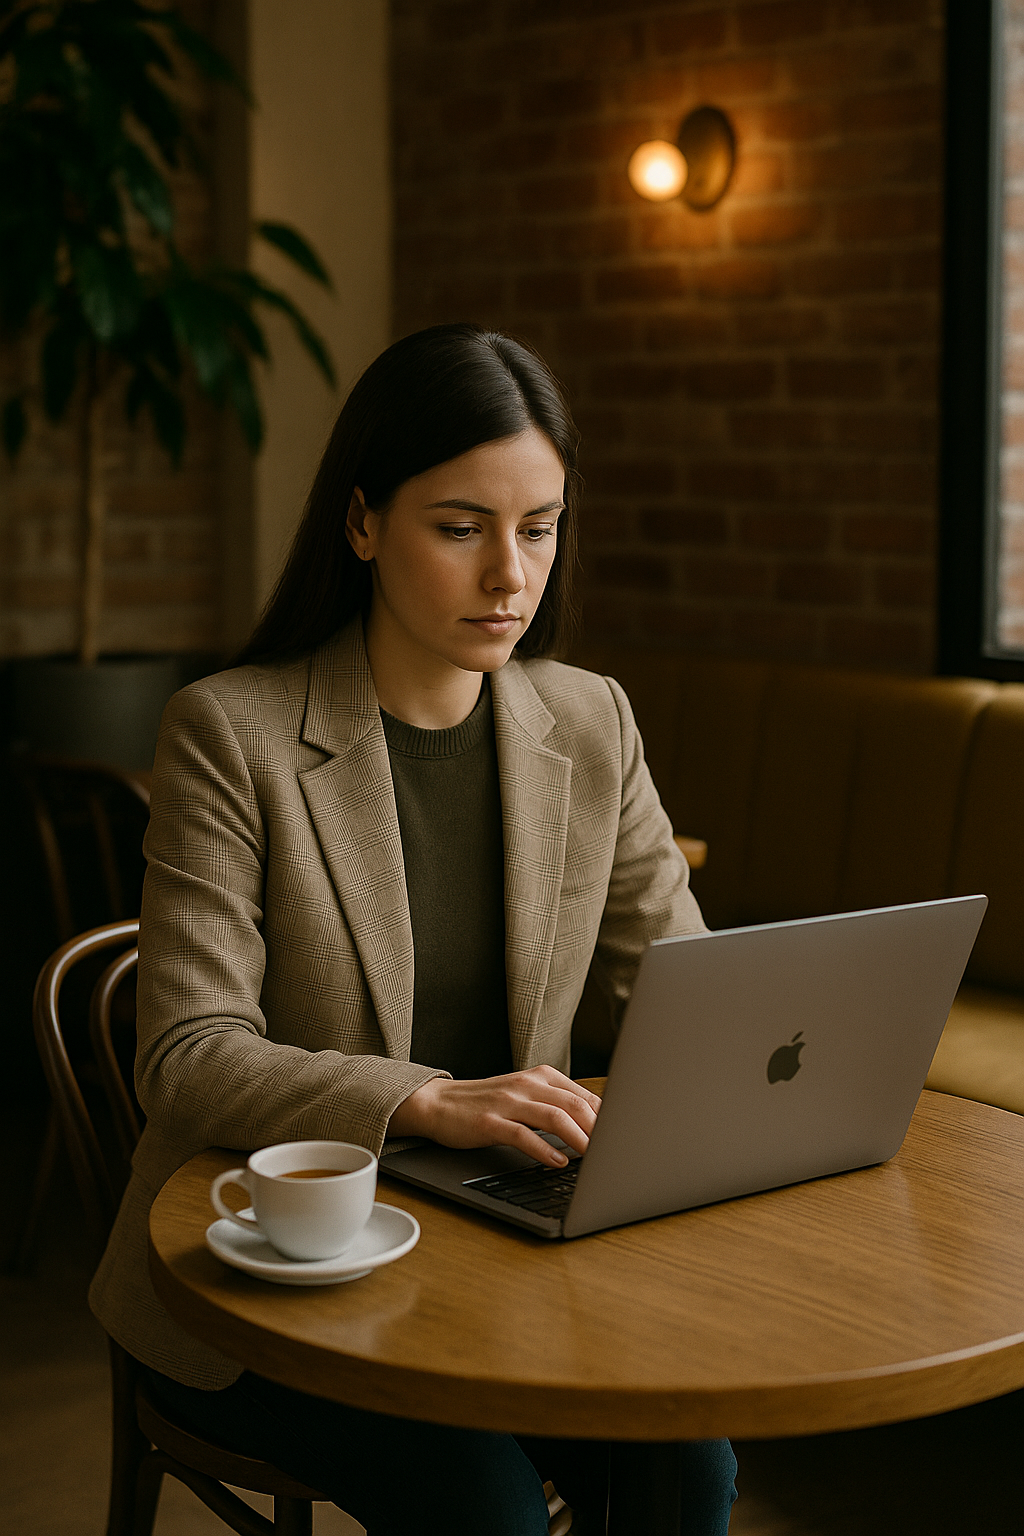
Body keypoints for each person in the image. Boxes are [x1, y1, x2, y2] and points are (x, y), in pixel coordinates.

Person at [89, 323, 738, 1534]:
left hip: (508, 1246)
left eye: (537, 528)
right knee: (482, 1505)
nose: (510, 574)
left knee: (688, 1462)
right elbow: (184, 1056)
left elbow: (687, 989)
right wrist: (421, 1100)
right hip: (278, 1268)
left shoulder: (590, 722)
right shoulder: (232, 734)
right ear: (362, 523)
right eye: (460, 527)